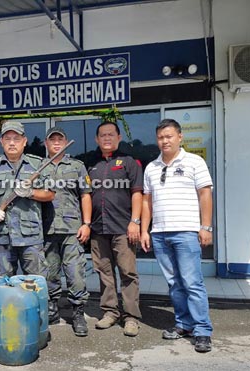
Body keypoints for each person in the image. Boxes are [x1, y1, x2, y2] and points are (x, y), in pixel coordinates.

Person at [140, 118, 214, 353]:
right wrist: (144, 229)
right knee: (174, 283)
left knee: (192, 283)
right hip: (160, 233)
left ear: (180, 137)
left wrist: (206, 227)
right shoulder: (152, 167)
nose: (165, 141)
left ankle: (202, 330)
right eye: (161, 137)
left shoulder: (195, 162)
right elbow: (146, 201)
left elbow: (205, 194)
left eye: (169, 136)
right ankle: (183, 324)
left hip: (186, 232)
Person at [0, 121, 54, 277]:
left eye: (16, 139)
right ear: (1, 142)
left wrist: (30, 192)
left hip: (31, 237)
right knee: (2, 286)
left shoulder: (37, 164)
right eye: (7, 139)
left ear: (24, 141)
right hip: (2, 237)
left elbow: (50, 193)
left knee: (36, 283)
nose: (11, 143)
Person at [88, 121, 143, 337]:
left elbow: (138, 193)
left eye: (111, 134)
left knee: (128, 273)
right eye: (103, 135)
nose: (107, 138)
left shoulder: (130, 163)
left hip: (123, 227)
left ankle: (130, 317)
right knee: (104, 272)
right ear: (97, 139)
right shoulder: (91, 165)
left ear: (119, 137)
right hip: (98, 228)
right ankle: (110, 312)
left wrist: (135, 222)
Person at [42, 126, 92, 337]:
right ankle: (52, 308)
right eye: (51, 140)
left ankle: (78, 312)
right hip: (46, 228)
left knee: (75, 272)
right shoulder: (39, 166)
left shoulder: (77, 166)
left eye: (59, 139)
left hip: (72, 228)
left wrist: (86, 223)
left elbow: (85, 195)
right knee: (49, 272)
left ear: (65, 142)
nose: (55, 143)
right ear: (46, 143)